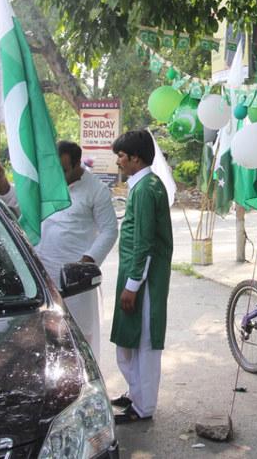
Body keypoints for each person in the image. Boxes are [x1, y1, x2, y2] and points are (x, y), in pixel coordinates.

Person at [0, 140, 118, 363]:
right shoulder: (46, 183)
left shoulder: (96, 189)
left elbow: (109, 231)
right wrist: (2, 181)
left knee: (75, 337)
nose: (58, 176)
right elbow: (15, 199)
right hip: (40, 272)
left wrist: (86, 263)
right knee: (37, 335)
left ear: (78, 164)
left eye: (64, 170)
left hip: (76, 280)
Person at [109, 130, 172, 424]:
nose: (118, 161)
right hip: (136, 278)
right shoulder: (142, 185)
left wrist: (133, 285)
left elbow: (145, 243)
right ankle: (136, 394)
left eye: (121, 156)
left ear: (136, 158)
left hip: (145, 282)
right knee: (128, 342)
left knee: (144, 344)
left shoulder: (146, 188)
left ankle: (144, 407)